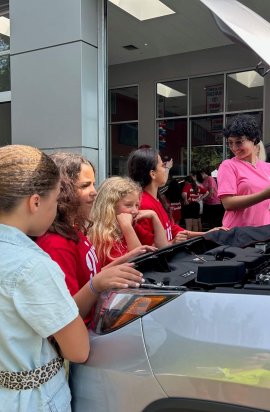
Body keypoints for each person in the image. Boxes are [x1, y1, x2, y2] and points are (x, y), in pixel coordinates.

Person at [0, 145, 89, 411]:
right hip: (33, 399)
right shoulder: (32, 265)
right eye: (54, 201)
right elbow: (78, 350)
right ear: (35, 202)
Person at [36, 153, 145, 324]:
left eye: (93, 184)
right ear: (62, 190)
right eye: (85, 185)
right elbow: (65, 316)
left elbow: (88, 276)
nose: (95, 192)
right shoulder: (56, 243)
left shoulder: (74, 230)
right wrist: (95, 285)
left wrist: (124, 260)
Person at [127, 147, 226, 246]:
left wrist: (208, 233)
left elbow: (173, 229)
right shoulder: (142, 204)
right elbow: (148, 248)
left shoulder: (156, 199)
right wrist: (172, 243)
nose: (165, 170)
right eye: (163, 166)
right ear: (152, 174)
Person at [217, 114, 270, 228]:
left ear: (254, 140)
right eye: (230, 143)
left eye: (239, 142)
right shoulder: (228, 166)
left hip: (266, 230)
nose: (234, 147)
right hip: (238, 233)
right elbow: (228, 203)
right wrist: (263, 195)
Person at [89, 176, 166, 267]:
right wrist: (127, 227)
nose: (135, 211)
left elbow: (163, 248)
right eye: (129, 205)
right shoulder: (102, 237)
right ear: (110, 207)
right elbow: (140, 264)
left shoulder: (133, 225)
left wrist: (154, 216)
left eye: (137, 205)